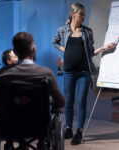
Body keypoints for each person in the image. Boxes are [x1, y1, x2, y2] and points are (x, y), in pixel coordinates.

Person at [0, 32, 65, 149]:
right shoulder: (45, 74)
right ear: (33, 49)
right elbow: (61, 102)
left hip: (8, 126)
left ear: (16, 52)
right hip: (38, 126)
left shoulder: (3, 74)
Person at [52, 2, 116, 145]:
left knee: (81, 102)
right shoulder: (62, 30)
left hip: (84, 72)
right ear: (73, 14)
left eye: (84, 14)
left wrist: (104, 48)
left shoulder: (88, 32)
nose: (83, 16)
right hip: (68, 72)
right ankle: (68, 128)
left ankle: (79, 131)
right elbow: (54, 42)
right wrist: (65, 50)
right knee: (68, 102)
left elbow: (91, 52)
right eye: (81, 14)